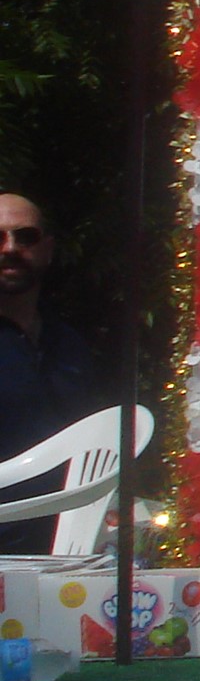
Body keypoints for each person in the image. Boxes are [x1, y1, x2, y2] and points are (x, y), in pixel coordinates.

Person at [0, 192, 101, 554]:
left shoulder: (70, 345)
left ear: (48, 249)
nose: (11, 248)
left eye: (25, 236)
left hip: (65, 558)